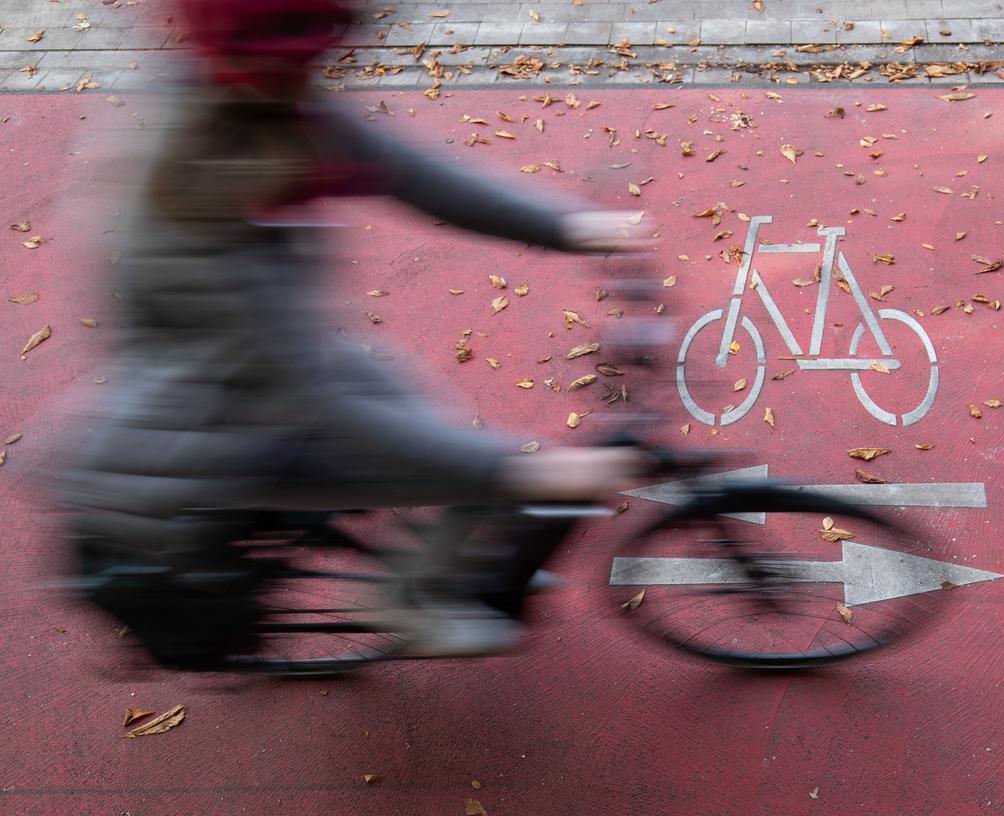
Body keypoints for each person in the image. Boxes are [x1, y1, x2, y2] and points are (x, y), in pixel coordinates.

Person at [58, 0, 649, 663]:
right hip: (226, 435)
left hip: (272, 364)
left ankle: (443, 557)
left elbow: (411, 174)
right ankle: (407, 597)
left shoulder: (251, 100)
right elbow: (319, 409)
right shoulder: (187, 203)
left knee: (446, 437)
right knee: (473, 468)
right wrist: (524, 473)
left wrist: (569, 225)